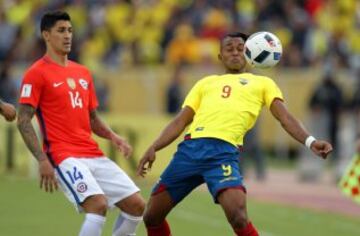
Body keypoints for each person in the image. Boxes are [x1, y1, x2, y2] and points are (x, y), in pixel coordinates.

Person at [137, 32, 333, 236]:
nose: (235, 53)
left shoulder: (263, 84)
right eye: (229, 49)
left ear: (249, 53)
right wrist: (154, 147)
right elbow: (180, 121)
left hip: (222, 154)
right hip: (189, 152)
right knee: (151, 217)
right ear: (220, 56)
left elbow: (285, 118)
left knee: (238, 216)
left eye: (241, 48)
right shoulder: (205, 83)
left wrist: (311, 142)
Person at [17, 11, 145, 236]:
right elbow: (23, 119)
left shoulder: (83, 73)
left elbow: (92, 118)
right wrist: (42, 159)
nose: (67, 36)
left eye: (70, 31)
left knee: (137, 205)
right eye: (61, 31)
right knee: (98, 205)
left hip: (92, 153)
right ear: (46, 35)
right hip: (63, 155)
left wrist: (113, 137)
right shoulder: (35, 73)